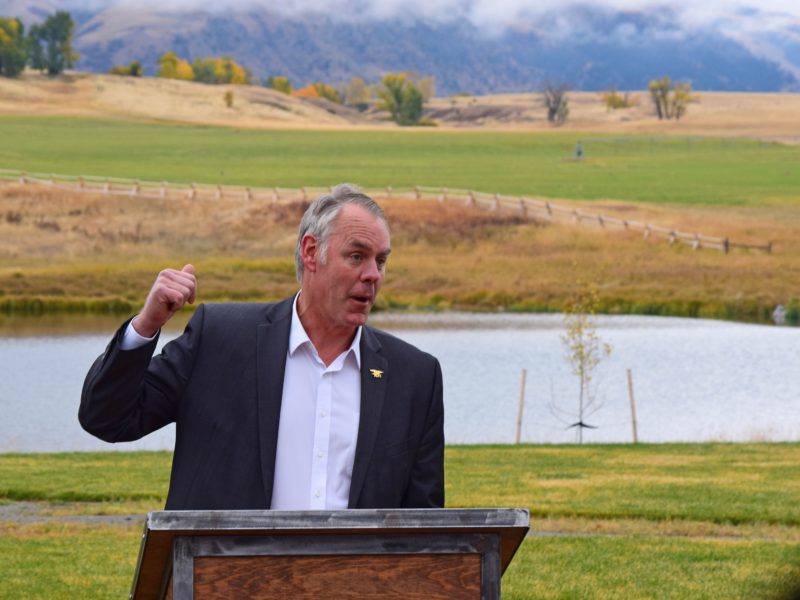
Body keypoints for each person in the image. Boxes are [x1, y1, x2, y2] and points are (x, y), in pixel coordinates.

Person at [80, 184, 444, 510]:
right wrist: (146, 326)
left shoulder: (414, 376)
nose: (373, 275)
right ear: (311, 251)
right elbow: (107, 419)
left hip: (353, 586)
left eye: (381, 261)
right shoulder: (220, 340)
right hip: (227, 582)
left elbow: (425, 530)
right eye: (357, 256)